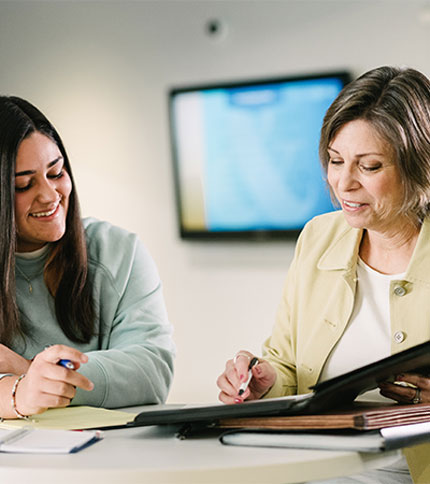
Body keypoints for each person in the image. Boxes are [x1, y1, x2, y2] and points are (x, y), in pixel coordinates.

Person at [217, 66, 430, 483]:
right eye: (335, 161)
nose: (343, 183)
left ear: (419, 165)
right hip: (311, 467)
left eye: (369, 167)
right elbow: (287, 364)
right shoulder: (319, 236)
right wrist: (261, 382)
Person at [0, 96, 175, 419]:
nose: (50, 195)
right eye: (24, 185)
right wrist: (19, 393)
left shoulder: (119, 251)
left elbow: (152, 369)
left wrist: (38, 375)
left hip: (106, 459)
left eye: (56, 173)